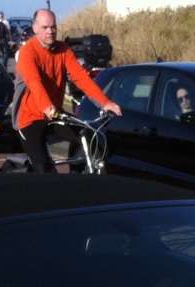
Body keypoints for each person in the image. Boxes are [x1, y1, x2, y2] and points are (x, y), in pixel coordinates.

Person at [12, 8, 122, 173]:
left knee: (86, 135)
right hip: (30, 118)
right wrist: (47, 107)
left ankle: (75, 179)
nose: (50, 31)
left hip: (56, 114)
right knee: (43, 168)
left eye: (53, 27)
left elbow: (81, 78)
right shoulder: (28, 53)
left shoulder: (63, 50)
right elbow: (35, 83)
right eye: (45, 27)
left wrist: (105, 103)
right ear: (35, 28)